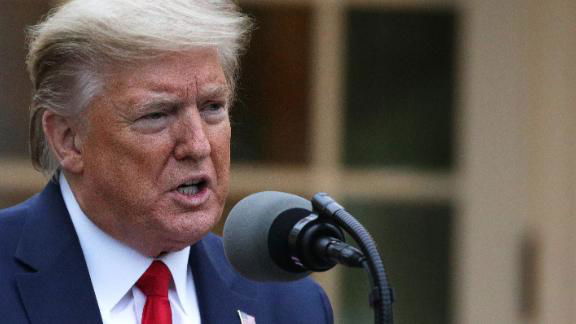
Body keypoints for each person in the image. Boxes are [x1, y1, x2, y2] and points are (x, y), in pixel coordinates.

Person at [0, 1, 333, 323]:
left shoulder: (291, 305)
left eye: (212, 107)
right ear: (68, 139)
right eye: (157, 114)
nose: (198, 145)